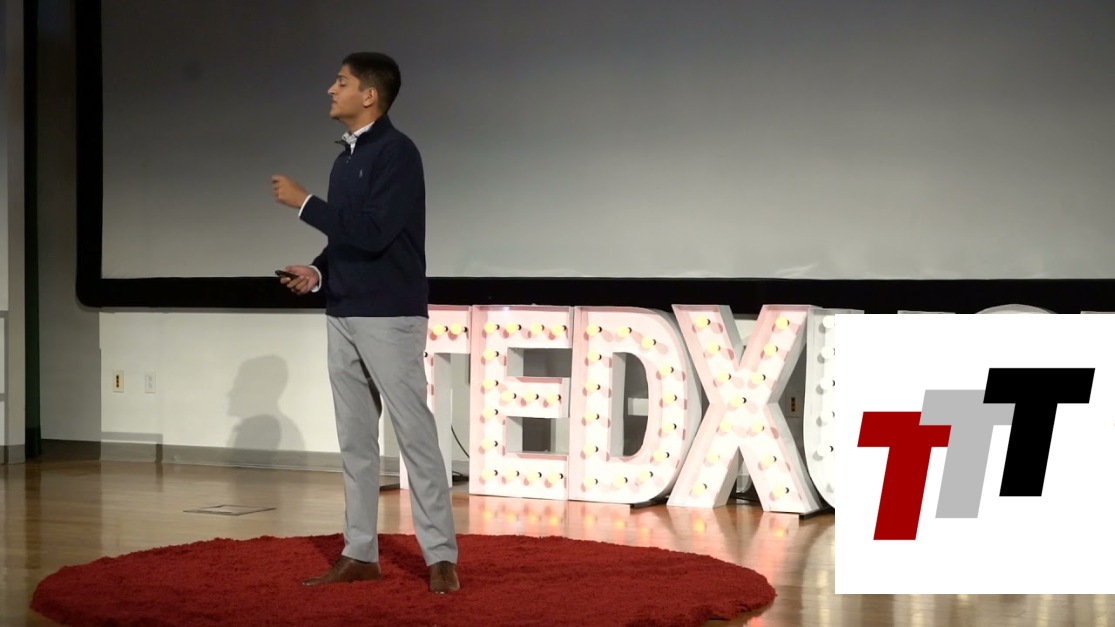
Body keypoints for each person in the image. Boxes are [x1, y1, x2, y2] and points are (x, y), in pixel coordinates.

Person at [270, 51, 459, 594]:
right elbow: (348, 236)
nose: (332, 90)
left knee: (414, 436)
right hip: (343, 311)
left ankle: (440, 556)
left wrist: (305, 203)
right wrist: (318, 271)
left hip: (389, 314)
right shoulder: (346, 159)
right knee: (355, 441)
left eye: (342, 82)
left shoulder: (398, 153)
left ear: (369, 95)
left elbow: (376, 232)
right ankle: (359, 553)